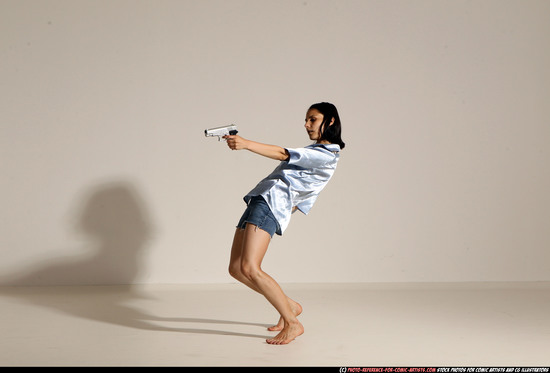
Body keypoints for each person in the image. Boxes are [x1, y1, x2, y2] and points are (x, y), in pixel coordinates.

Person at [224, 102, 345, 345]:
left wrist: (246, 144)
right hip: (259, 200)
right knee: (236, 269)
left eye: (313, 119)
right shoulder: (316, 151)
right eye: (306, 119)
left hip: (269, 205)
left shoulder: (325, 154)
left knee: (250, 268)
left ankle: (293, 323)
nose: (307, 124)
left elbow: (282, 153)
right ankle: (289, 305)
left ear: (330, 121)